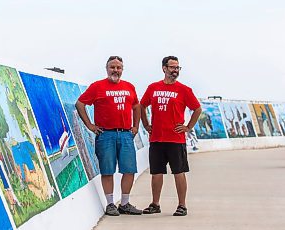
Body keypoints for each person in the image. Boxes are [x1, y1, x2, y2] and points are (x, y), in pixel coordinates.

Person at [76, 56, 142, 216]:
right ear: (107, 69)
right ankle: (110, 203)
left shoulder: (129, 87)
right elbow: (80, 104)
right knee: (107, 170)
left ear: (122, 70)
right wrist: (90, 125)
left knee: (129, 169)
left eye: (119, 68)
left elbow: (136, 106)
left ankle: (125, 204)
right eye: (112, 67)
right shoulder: (97, 87)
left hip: (126, 134)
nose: (116, 70)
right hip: (106, 134)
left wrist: (135, 126)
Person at [140, 56, 202, 216]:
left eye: (178, 68)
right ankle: (155, 204)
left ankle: (182, 205)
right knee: (156, 172)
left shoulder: (184, 89)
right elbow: (141, 105)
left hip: (176, 139)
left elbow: (197, 109)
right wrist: (146, 124)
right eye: (172, 67)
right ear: (164, 68)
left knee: (179, 172)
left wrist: (188, 127)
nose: (175, 71)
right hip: (157, 138)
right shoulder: (153, 88)